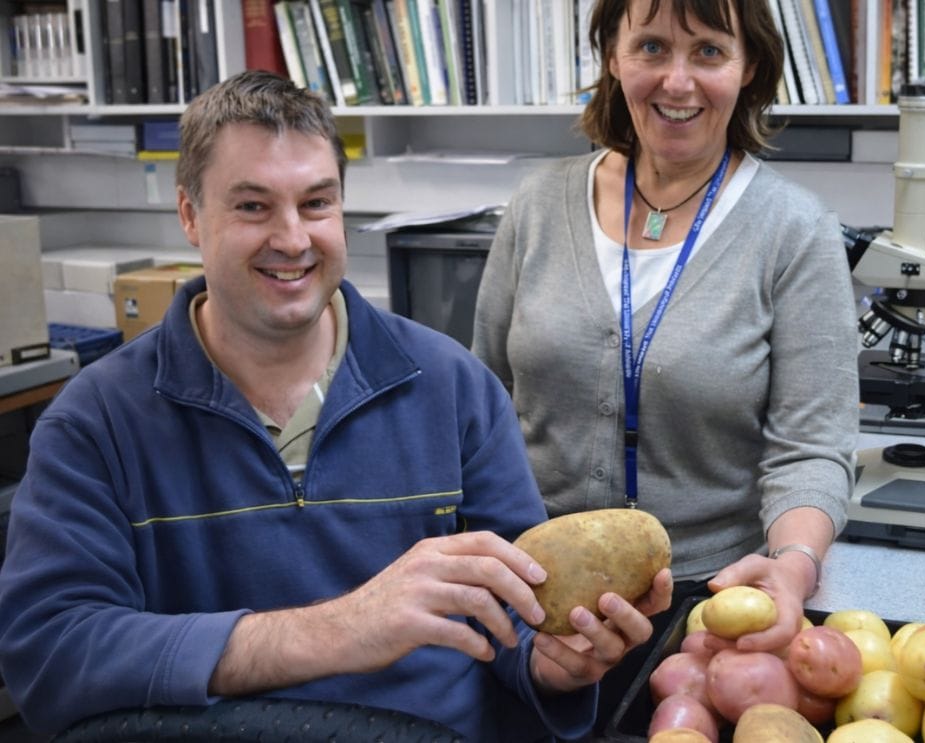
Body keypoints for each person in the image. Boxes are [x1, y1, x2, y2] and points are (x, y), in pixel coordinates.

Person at [0, 70, 670, 742]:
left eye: (316, 203)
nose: (293, 239)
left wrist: (552, 665)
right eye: (253, 206)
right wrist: (337, 630)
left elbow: (518, 618)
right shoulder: (96, 422)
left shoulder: (455, 390)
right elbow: (50, 651)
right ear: (190, 214)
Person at [472, 0, 859, 722]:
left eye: (708, 50)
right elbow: (481, 404)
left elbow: (811, 447)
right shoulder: (537, 205)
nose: (677, 81)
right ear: (613, 58)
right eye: (651, 47)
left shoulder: (795, 231)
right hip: (528, 600)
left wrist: (793, 566)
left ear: (749, 68)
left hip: (707, 611)